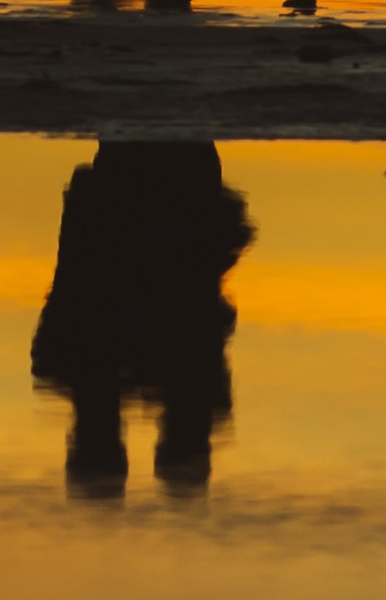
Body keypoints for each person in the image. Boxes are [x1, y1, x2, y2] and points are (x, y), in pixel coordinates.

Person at [28, 140, 254, 497]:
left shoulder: (69, 356)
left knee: (100, 387)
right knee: (113, 389)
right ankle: (173, 459)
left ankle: (158, 457)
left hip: (152, 212)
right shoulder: (69, 356)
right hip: (170, 208)